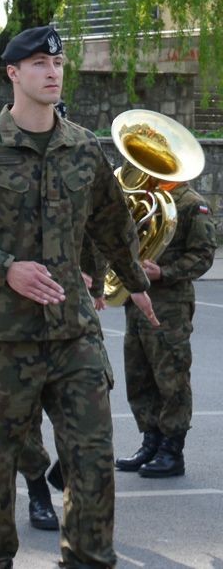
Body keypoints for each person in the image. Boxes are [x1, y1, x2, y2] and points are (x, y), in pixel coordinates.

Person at [0, 25, 160, 568]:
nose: (53, 73)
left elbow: (111, 224)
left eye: (58, 65)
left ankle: (89, 560)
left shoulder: (83, 148)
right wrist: (5, 269)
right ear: (13, 73)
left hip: (73, 334)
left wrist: (136, 287)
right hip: (3, 340)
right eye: (39, 65)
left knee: (93, 462)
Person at [115, 177, 216, 478]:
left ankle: (172, 450)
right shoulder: (147, 198)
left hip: (170, 304)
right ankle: (151, 441)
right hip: (136, 302)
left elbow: (203, 255)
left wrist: (164, 272)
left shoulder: (191, 203)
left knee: (171, 376)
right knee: (139, 374)